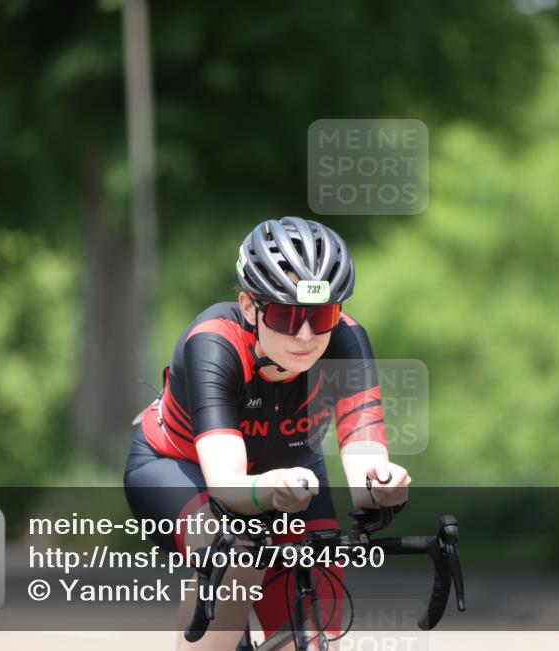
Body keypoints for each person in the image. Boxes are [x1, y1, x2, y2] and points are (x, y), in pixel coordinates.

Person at [123, 216, 411, 651]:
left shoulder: (347, 342)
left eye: (322, 314)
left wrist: (383, 487)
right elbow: (229, 486)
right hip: (179, 468)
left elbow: (366, 464)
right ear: (249, 306)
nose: (305, 334)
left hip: (290, 472)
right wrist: (268, 492)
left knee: (314, 629)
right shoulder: (213, 343)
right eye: (286, 314)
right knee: (237, 551)